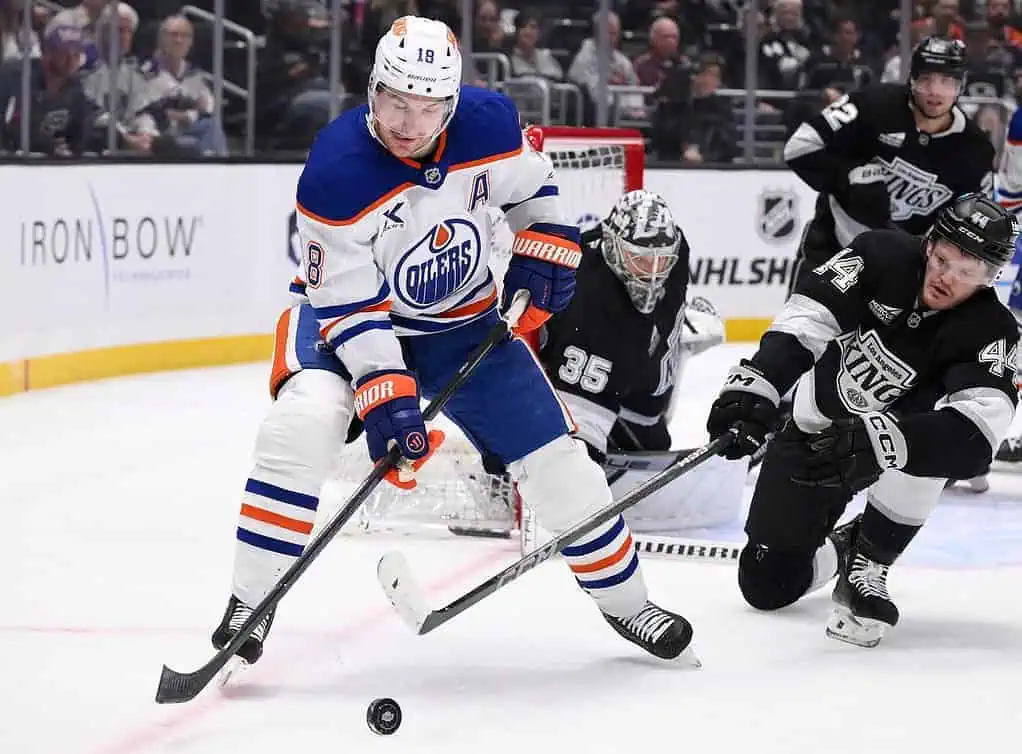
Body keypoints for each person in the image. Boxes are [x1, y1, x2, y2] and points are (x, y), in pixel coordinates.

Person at [208, 15, 695, 676]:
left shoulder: (489, 127)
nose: (409, 123)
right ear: (373, 89)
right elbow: (349, 303)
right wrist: (386, 394)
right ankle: (251, 600)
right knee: (300, 426)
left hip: (463, 324)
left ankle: (629, 602)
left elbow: (534, 189)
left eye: (429, 106)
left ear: (454, 102)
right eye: (395, 101)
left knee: (564, 467)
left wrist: (542, 241)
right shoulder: (335, 173)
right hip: (343, 324)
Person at [705, 194, 1019, 648]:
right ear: (930, 243)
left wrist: (879, 439)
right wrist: (755, 386)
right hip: (819, 431)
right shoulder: (878, 255)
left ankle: (871, 557)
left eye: (967, 272)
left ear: (991, 277)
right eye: (944, 259)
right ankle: (842, 547)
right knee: (766, 586)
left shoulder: (993, 330)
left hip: (897, 451)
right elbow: (807, 318)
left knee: (937, 446)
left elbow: (975, 440)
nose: (946, 278)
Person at [534, 189, 743, 534]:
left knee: (653, 434)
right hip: (591, 380)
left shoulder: (677, 247)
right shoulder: (588, 296)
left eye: (662, 260)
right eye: (642, 261)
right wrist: (580, 481)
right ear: (615, 250)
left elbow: (657, 296)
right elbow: (585, 411)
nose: (654, 273)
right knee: (604, 448)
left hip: (645, 378)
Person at [783, 36, 995, 295]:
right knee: (795, 334)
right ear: (912, 79)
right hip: (833, 249)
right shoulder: (871, 105)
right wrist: (847, 176)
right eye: (926, 79)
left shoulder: (975, 150)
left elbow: (976, 228)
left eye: (947, 81)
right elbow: (800, 147)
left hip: (904, 272)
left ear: (961, 86)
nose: (935, 91)